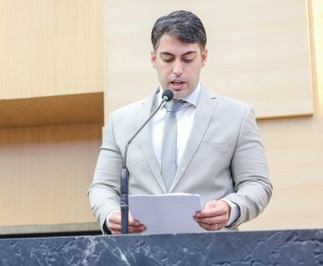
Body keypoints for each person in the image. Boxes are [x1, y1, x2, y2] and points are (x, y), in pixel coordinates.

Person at [87, 10, 272, 235]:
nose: (177, 70)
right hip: (140, 253)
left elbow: (257, 183)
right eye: (167, 58)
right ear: (154, 59)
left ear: (203, 57)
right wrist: (110, 214)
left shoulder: (237, 115)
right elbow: (102, 187)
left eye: (188, 58)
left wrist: (230, 208)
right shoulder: (122, 121)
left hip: (214, 252)